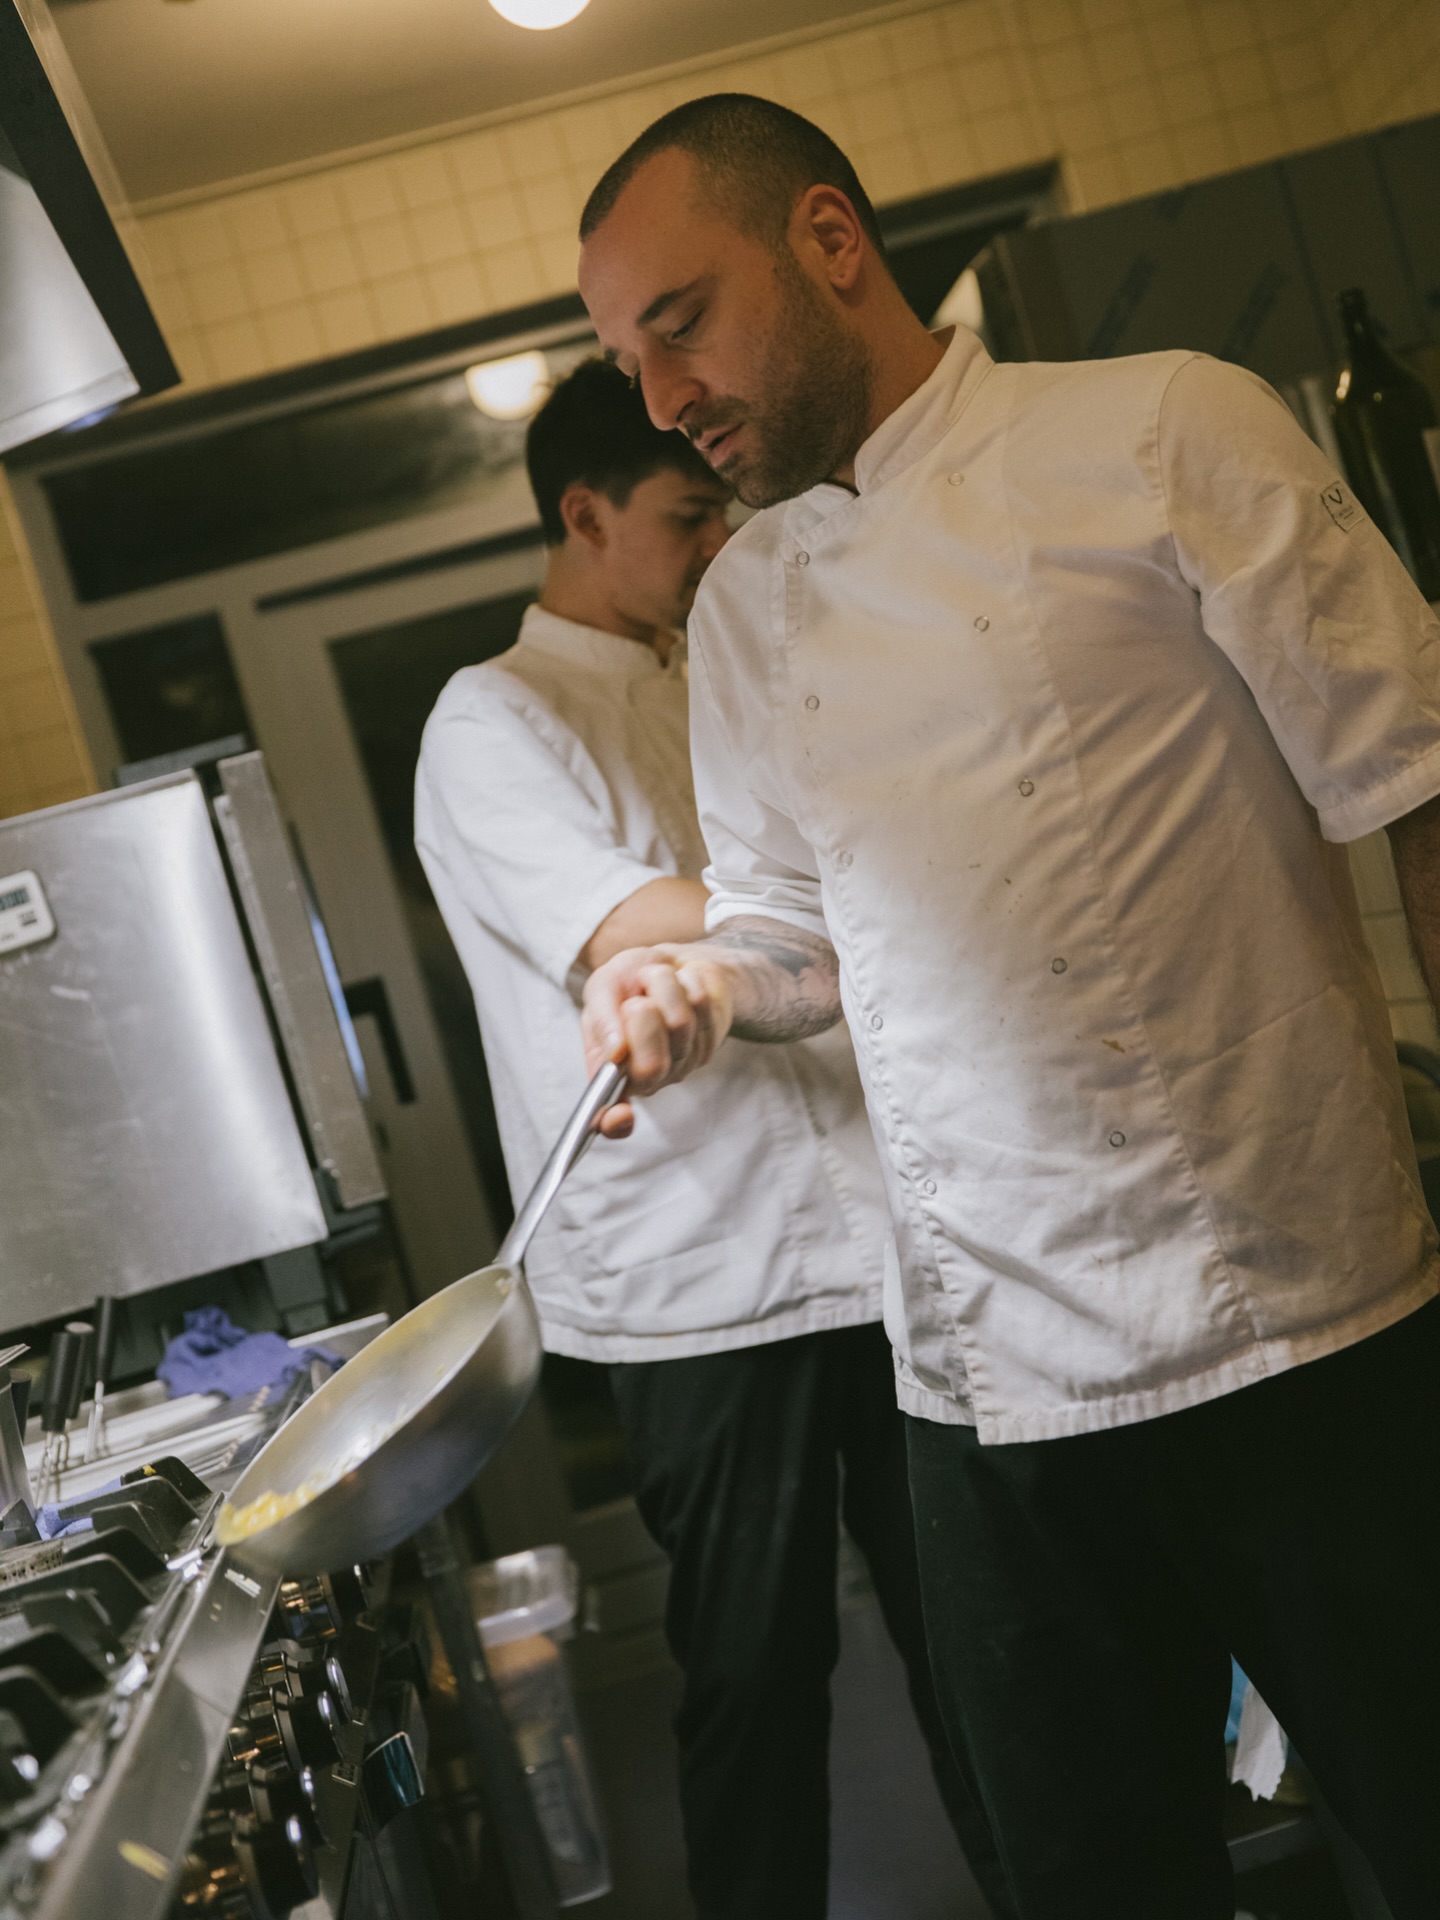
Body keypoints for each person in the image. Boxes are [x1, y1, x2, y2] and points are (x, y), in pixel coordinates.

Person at [573, 93, 1440, 1920]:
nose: (661, 399)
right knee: (1095, 1885)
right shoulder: (740, 615)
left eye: (682, 324)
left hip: (1297, 1323)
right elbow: (797, 936)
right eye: (619, 360)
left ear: (828, 241)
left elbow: (1411, 785)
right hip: (985, 1398)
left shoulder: (1162, 427)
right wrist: (704, 986)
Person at [413, 358, 1015, 1920]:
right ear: (587, 514)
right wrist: (858, 881)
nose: (716, 543)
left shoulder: (722, 666)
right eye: (688, 517)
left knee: (982, 1635)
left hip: (877, 1248)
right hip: (702, 1285)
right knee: (755, 1672)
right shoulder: (493, 719)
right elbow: (634, 919)